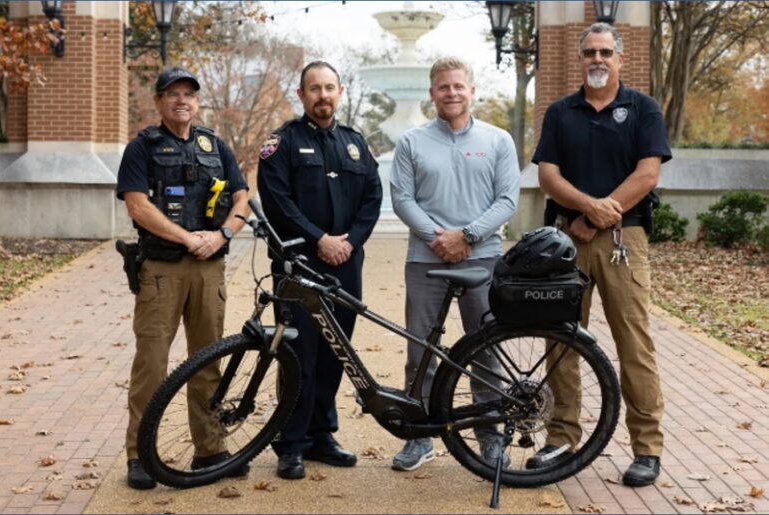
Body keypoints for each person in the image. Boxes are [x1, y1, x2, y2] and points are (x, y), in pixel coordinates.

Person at [529, 22, 671, 487]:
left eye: (606, 52)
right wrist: (586, 207)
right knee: (561, 340)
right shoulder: (560, 112)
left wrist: (596, 216)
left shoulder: (643, 108)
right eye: (589, 52)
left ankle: (646, 449)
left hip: (622, 242)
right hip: (566, 242)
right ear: (580, 58)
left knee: (634, 344)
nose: (597, 59)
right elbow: (548, 175)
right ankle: (561, 436)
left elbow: (647, 175)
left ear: (620, 59)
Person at [116, 66, 250, 490]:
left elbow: (243, 195)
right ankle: (140, 455)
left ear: (196, 102)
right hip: (162, 270)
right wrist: (187, 238)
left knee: (208, 360)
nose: (181, 101)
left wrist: (223, 234)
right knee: (152, 364)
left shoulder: (215, 146)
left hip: (210, 268)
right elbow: (137, 205)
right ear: (158, 102)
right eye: (172, 94)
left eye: (189, 94)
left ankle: (209, 448)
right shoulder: (142, 148)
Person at [389, 57, 520, 471]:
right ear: (432, 93)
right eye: (443, 87)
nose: (452, 93)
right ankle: (421, 436)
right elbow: (402, 199)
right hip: (425, 261)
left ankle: (489, 436)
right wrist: (437, 239)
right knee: (421, 350)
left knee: (485, 349)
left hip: (482, 259)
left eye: (459, 86)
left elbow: (507, 201)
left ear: (472, 90)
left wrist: (466, 236)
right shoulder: (411, 141)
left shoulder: (498, 140)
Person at [257, 61, 382, 480]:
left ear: (340, 92)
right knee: (298, 354)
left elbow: (372, 196)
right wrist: (320, 240)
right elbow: (277, 201)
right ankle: (290, 444)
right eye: (315, 88)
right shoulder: (283, 142)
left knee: (335, 351)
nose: (323, 95)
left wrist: (350, 241)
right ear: (301, 95)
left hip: (346, 263)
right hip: (300, 265)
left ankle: (321, 435)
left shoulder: (354, 143)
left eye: (330, 87)